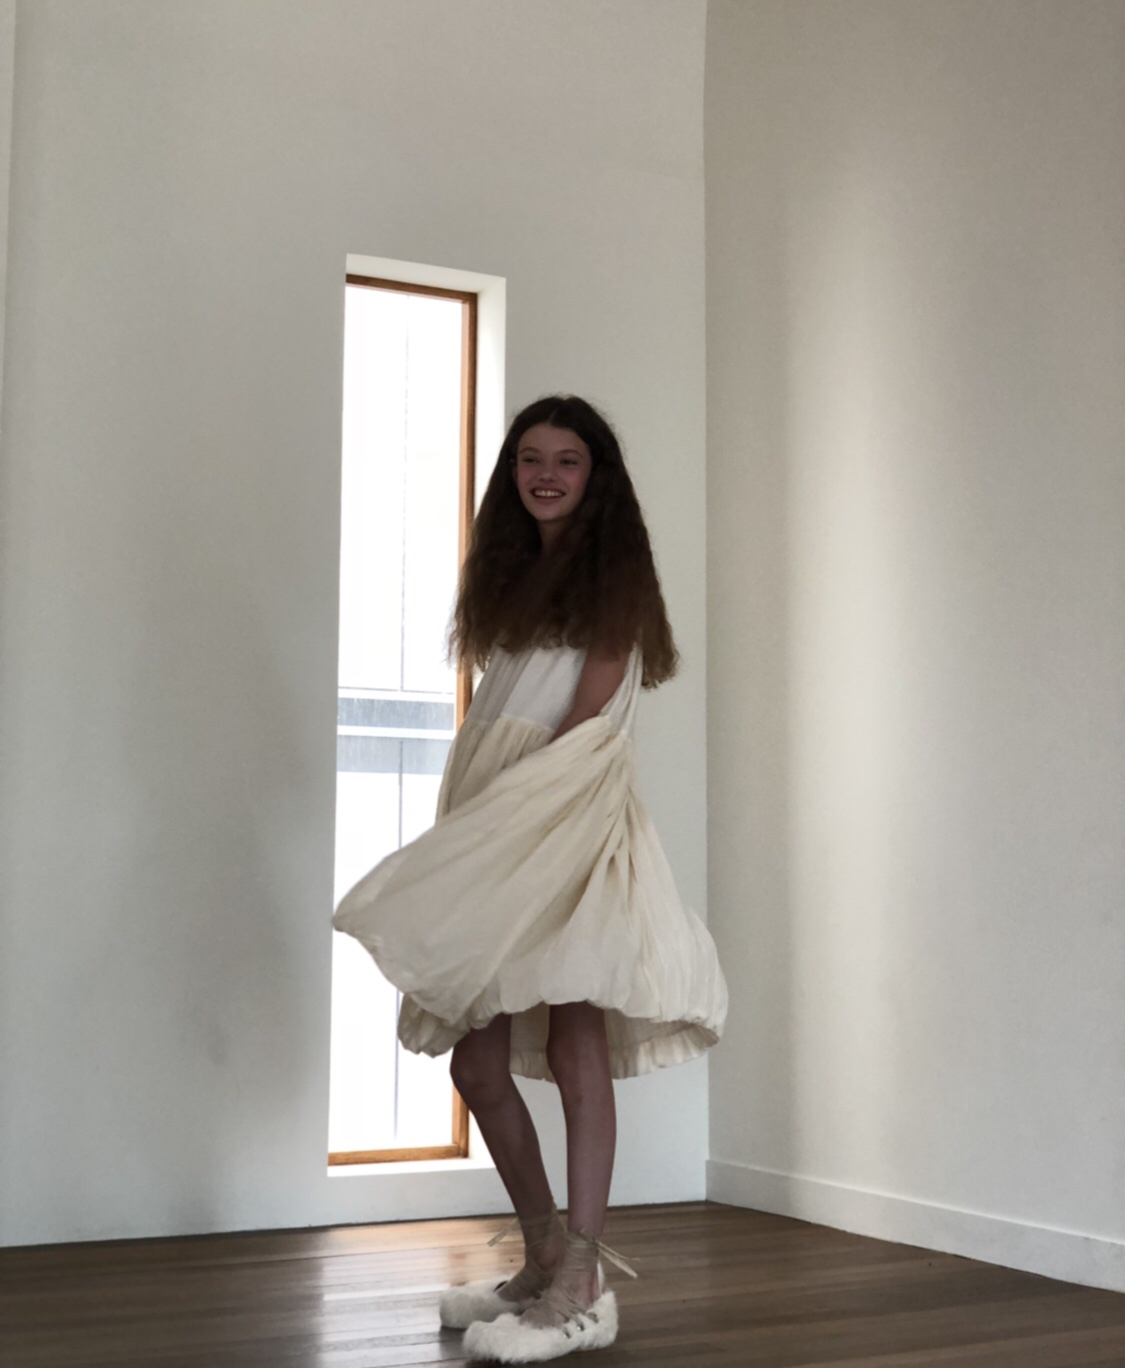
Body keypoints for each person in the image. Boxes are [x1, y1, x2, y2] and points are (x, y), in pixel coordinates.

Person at [333, 395, 727, 1363]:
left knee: (575, 1034)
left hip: (561, 807)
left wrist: (522, 813)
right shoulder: (510, 576)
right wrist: (478, 817)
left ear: (598, 478)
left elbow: (589, 712)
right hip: (495, 800)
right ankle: (545, 1254)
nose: (545, 475)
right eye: (530, 459)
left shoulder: (608, 571)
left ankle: (583, 1284)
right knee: (476, 1064)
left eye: (567, 460)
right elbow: (499, 709)